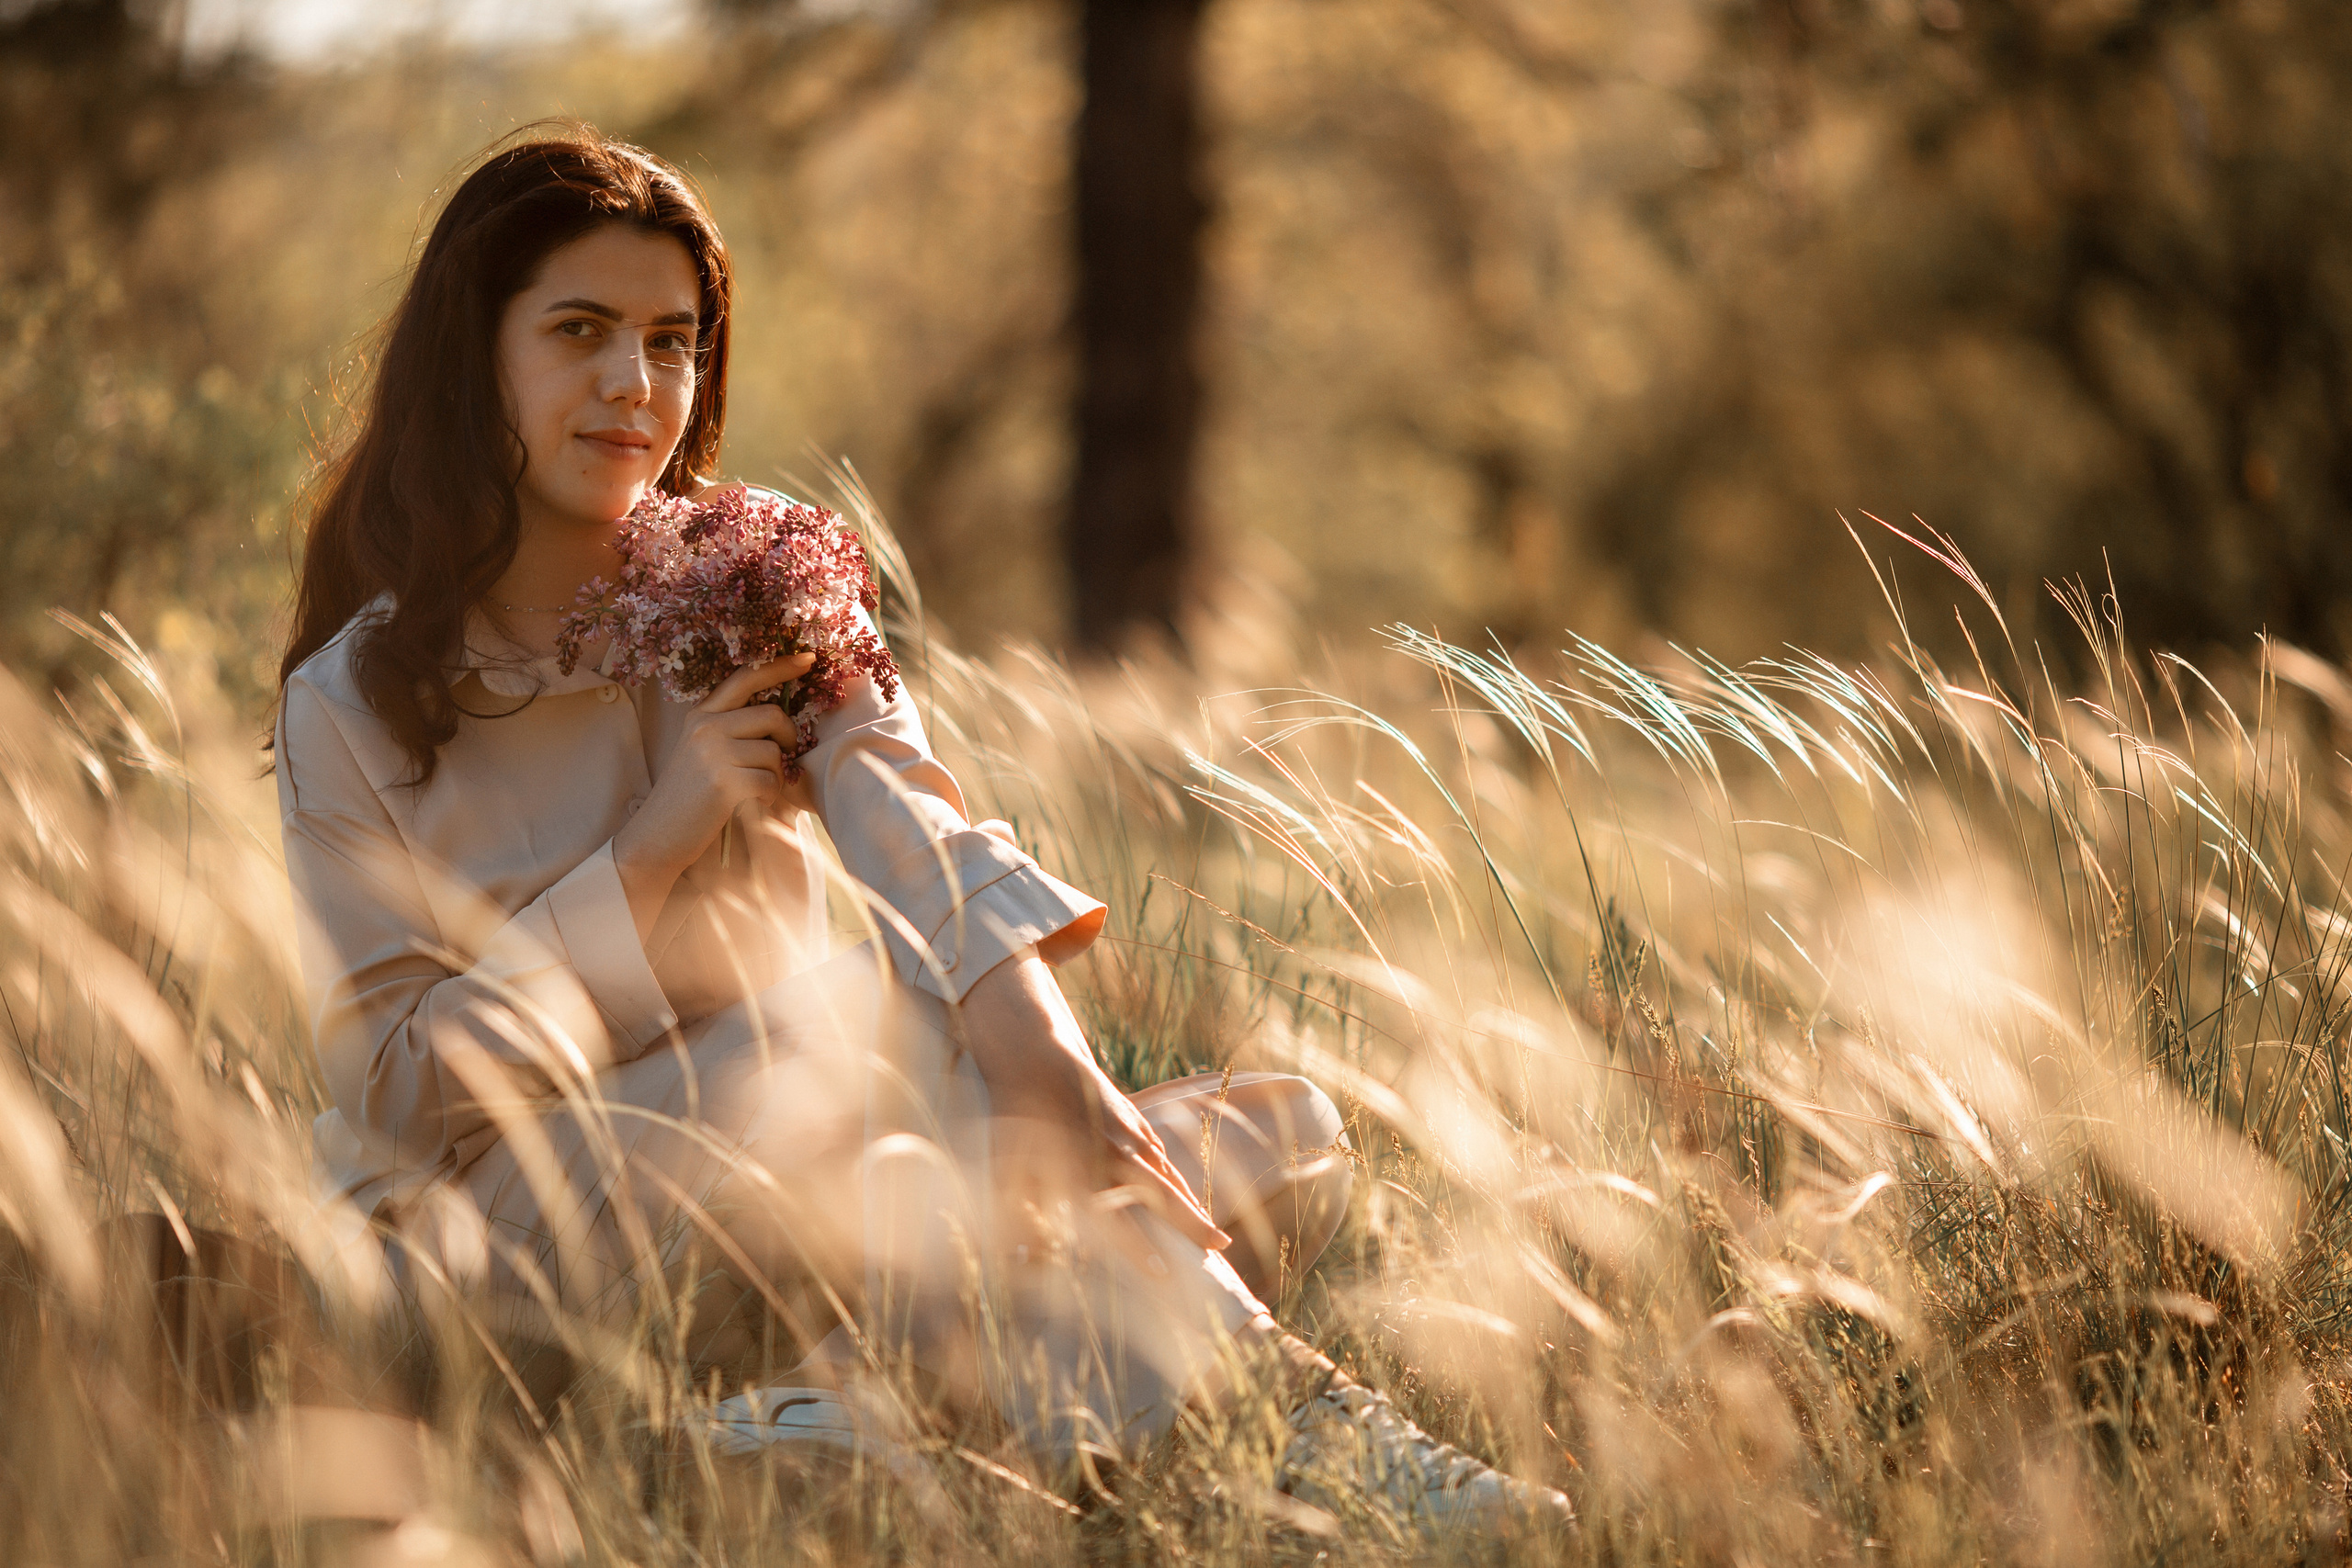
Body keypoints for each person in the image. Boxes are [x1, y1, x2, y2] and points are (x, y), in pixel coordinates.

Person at [272, 125, 1570, 1540]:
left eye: (670, 340)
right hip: (509, 1255)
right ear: (479, 354)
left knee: (1280, 1130)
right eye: (578, 331)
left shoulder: (747, 580)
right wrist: (650, 849)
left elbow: (907, 814)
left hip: (824, 1188)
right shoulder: (351, 698)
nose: (632, 386)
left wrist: (1051, 1063)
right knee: (879, 1022)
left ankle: (821, 1417)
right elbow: (400, 1091)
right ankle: (1314, 1442)